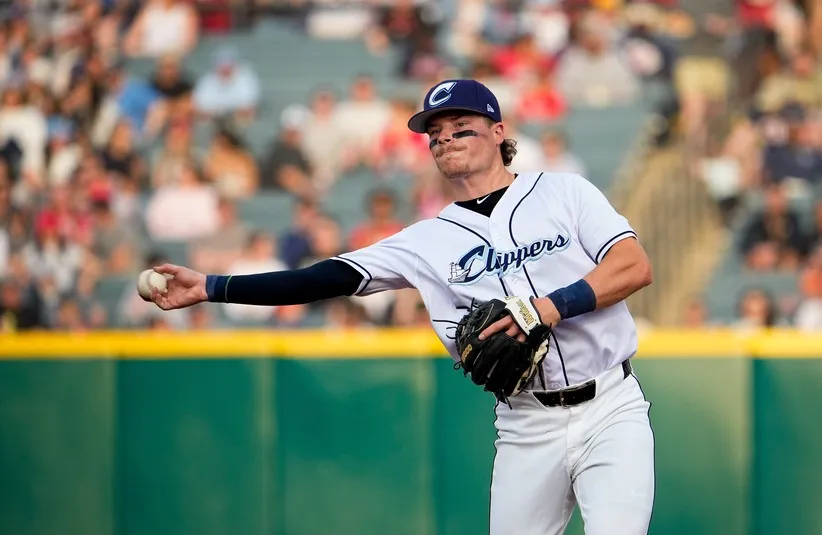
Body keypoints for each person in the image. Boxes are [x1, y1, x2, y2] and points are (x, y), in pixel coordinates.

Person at [146, 79, 655, 535]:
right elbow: (324, 278)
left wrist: (542, 309)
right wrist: (212, 286)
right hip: (526, 423)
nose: (445, 138)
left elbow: (633, 266)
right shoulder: (425, 241)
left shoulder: (563, 192)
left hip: (610, 405)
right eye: (434, 132)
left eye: (461, 126)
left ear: (499, 131)